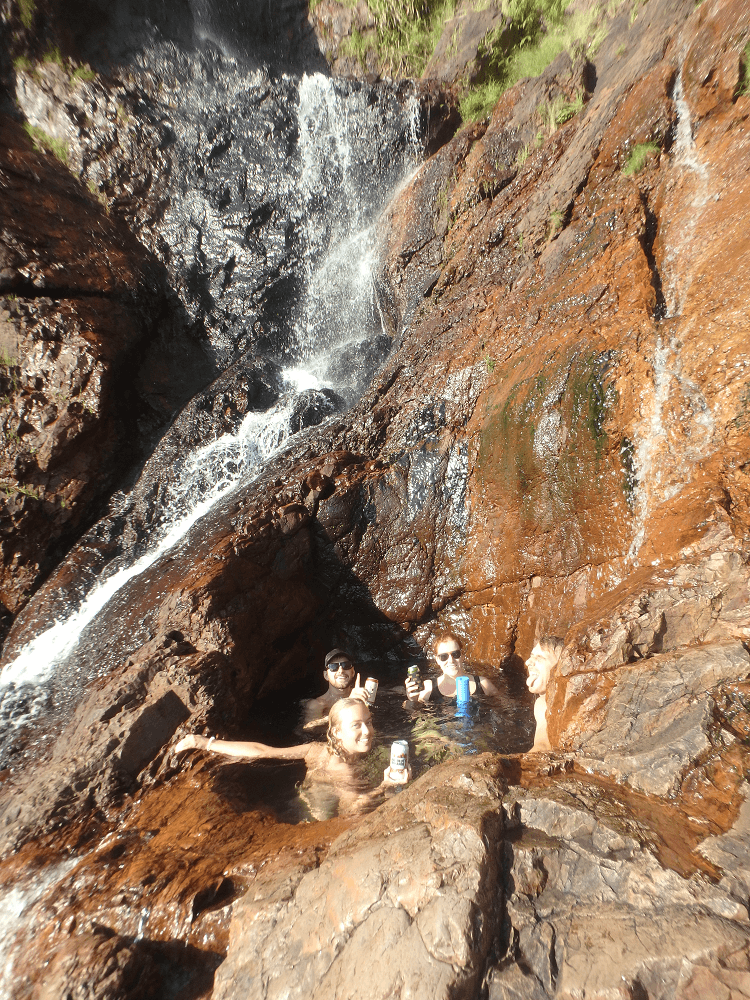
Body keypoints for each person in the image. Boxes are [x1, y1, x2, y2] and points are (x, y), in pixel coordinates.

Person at [173, 698, 409, 816]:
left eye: (368, 722)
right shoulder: (342, 769)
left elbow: (263, 751)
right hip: (317, 819)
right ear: (337, 731)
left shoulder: (316, 749)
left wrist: (206, 743)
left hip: (298, 804)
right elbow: (352, 811)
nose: (367, 731)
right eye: (356, 725)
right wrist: (386, 787)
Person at [405, 632, 500, 705]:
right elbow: (414, 718)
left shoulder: (482, 684)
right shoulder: (427, 688)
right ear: (437, 660)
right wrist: (412, 701)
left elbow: (504, 708)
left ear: (462, 656)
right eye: (443, 656)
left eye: (455, 654)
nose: (451, 660)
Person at [302, 648, 368, 726]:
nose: (341, 671)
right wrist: (348, 703)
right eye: (333, 667)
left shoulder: (362, 695)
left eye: (346, 665)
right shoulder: (317, 705)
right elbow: (309, 729)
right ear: (326, 675)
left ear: (353, 672)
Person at [524, 636, 564, 751]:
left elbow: (543, 747)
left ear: (559, 667)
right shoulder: (542, 701)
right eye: (531, 657)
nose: (528, 662)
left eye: (540, 658)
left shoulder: (546, 704)